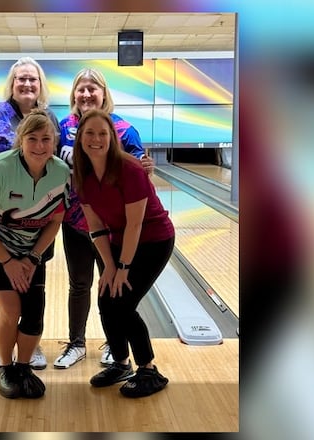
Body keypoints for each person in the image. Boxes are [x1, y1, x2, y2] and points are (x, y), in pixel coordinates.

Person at [0, 110, 69, 399]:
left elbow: (55, 221)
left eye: (46, 139)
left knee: (34, 314)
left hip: (31, 247)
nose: (39, 146)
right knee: (10, 310)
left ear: (55, 141)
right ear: (20, 140)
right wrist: (8, 262)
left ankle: (23, 368)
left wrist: (33, 257)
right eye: (32, 138)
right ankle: (6, 368)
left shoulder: (61, 172)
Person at [53, 68, 154, 369]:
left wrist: (147, 169)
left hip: (111, 227)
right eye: (81, 89)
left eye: (92, 88)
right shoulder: (61, 128)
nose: (86, 94)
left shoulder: (124, 130)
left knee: (111, 285)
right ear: (74, 94)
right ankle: (76, 343)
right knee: (79, 284)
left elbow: (140, 176)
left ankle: (114, 344)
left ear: (103, 93)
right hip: (74, 220)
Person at [71, 109, 174, 398]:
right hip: (119, 239)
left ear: (112, 138)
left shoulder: (129, 169)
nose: (96, 139)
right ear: (80, 138)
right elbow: (95, 227)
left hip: (153, 240)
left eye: (102, 133)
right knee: (106, 299)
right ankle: (121, 363)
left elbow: (135, 224)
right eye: (89, 133)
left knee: (124, 303)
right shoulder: (82, 176)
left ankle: (149, 370)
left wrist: (124, 268)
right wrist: (108, 266)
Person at [0, 57, 59, 370]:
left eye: (33, 79)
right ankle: (4, 346)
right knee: (3, 292)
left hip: (35, 221)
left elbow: (54, 166)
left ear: (40, 84)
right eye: (21, 78)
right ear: (12, 83)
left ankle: (29, 345)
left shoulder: (49, 118)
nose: (27, 84)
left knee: (30, 289)